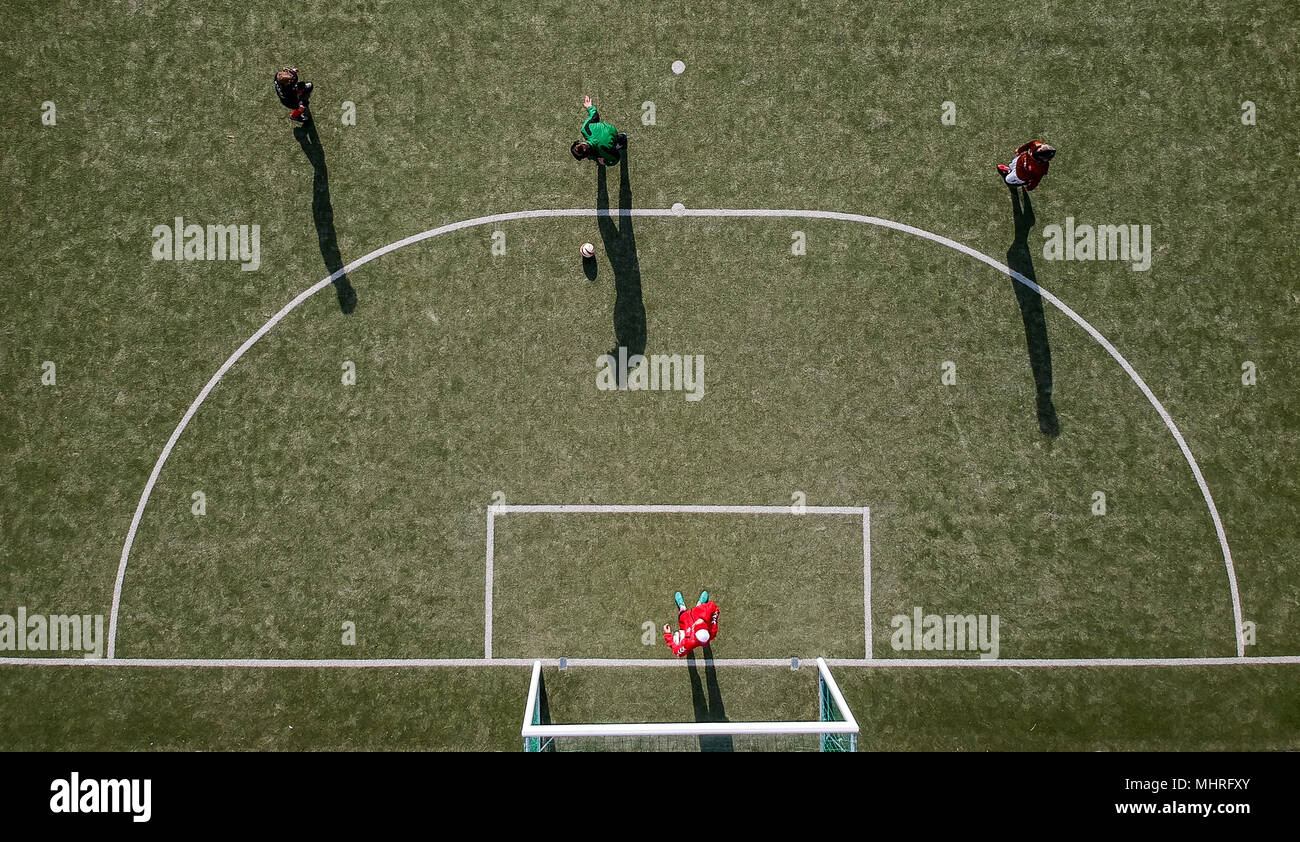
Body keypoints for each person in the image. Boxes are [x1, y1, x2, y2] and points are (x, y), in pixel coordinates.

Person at [571, 95, 627, 166]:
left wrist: (605, 162)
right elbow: (595, 116)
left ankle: (619, 143)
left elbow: (616, 158)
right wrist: (589, 107)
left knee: (612, 147)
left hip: (609, 141)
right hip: (611, 130)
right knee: (616, 139)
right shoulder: (585, 129)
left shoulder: (603, 152)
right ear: (580, 142)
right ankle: (622, 137)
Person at [662, 591, 720, 657]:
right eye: (700, 622)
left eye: (697, 624)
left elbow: (678, 652)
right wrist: (702, 612)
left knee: (682, 615)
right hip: (699, 612)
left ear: (693, 629)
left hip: (686, 622)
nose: (698, 621)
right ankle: (700, 604)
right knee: (700, 607)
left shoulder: (689, 642)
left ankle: (682, 606)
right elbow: (714, 607)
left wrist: (668, 634)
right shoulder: (712, 630)